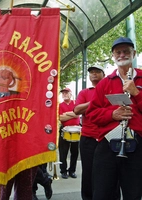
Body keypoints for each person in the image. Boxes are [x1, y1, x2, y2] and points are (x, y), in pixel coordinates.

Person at [86, 37, 142, 200]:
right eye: (118, 52)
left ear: (134, 53)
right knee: (103, 192)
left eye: (126, 51)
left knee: (133, 193)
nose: (122, 54)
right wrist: (112, 114)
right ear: (113, 55)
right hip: (108, 144)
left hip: (137, 143)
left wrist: (136, 93)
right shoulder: (105, 83)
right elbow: (91, 114)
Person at [74, 65, 105, 200]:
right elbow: (77, 110)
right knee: (88, 172)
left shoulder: (109, 90)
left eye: (97, 72)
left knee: (108, 171)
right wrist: (93, 101)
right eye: (91, 72)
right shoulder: (84, 93)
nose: (94, 74)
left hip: (107, 137)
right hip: (88, 138)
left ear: (103, 75)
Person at [59, 88, 80, 179]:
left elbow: (77, 115)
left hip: (76, 130)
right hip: (64, 129)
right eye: (63, 93)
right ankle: (63, 171)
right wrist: (72, 114)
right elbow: (61, 118)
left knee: (74, 152)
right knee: (63, 152)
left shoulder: (76, 103)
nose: (64, 94)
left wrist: (66, 114)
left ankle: (72, 170)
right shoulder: (60, 105)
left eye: (66, 92)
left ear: (71, 93)